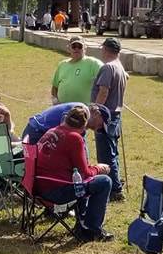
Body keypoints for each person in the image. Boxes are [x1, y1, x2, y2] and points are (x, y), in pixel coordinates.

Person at [33, 104, 115, 242]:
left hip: (37, 187)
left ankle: (82, 222)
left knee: (82, 183)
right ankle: (92, 229)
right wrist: (99, 168)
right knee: (104, 182)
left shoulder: (51, 131)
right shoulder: (74, 138)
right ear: (83, 128)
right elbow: (85, 174)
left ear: (65, 119)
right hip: (55, 191)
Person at [90, 37, 128, 200]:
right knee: (113, 152)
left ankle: (114, 190)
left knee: (106, 154)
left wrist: (95, 111)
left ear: (105, 50)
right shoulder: (120, 67)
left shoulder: (108, 68)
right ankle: (116, 183)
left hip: (106, 117)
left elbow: (103, 91)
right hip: (116, 116)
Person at [22, 102, 108, 145]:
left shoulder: (83, 124)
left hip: (39, 131)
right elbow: (63, 131)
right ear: (96, 113)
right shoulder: (80, 111)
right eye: (100, 125)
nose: (96, 129)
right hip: (37, 131)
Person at [51, 36, 103, 106]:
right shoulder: (62, 65)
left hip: (84, 111)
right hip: (63, 109)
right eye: (74, 46)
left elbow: (105, 83)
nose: (77, 49)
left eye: (80, 46)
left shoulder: (94, 63)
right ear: (69, 48)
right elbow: (54, 87)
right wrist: (56, 102)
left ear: (85, 48)